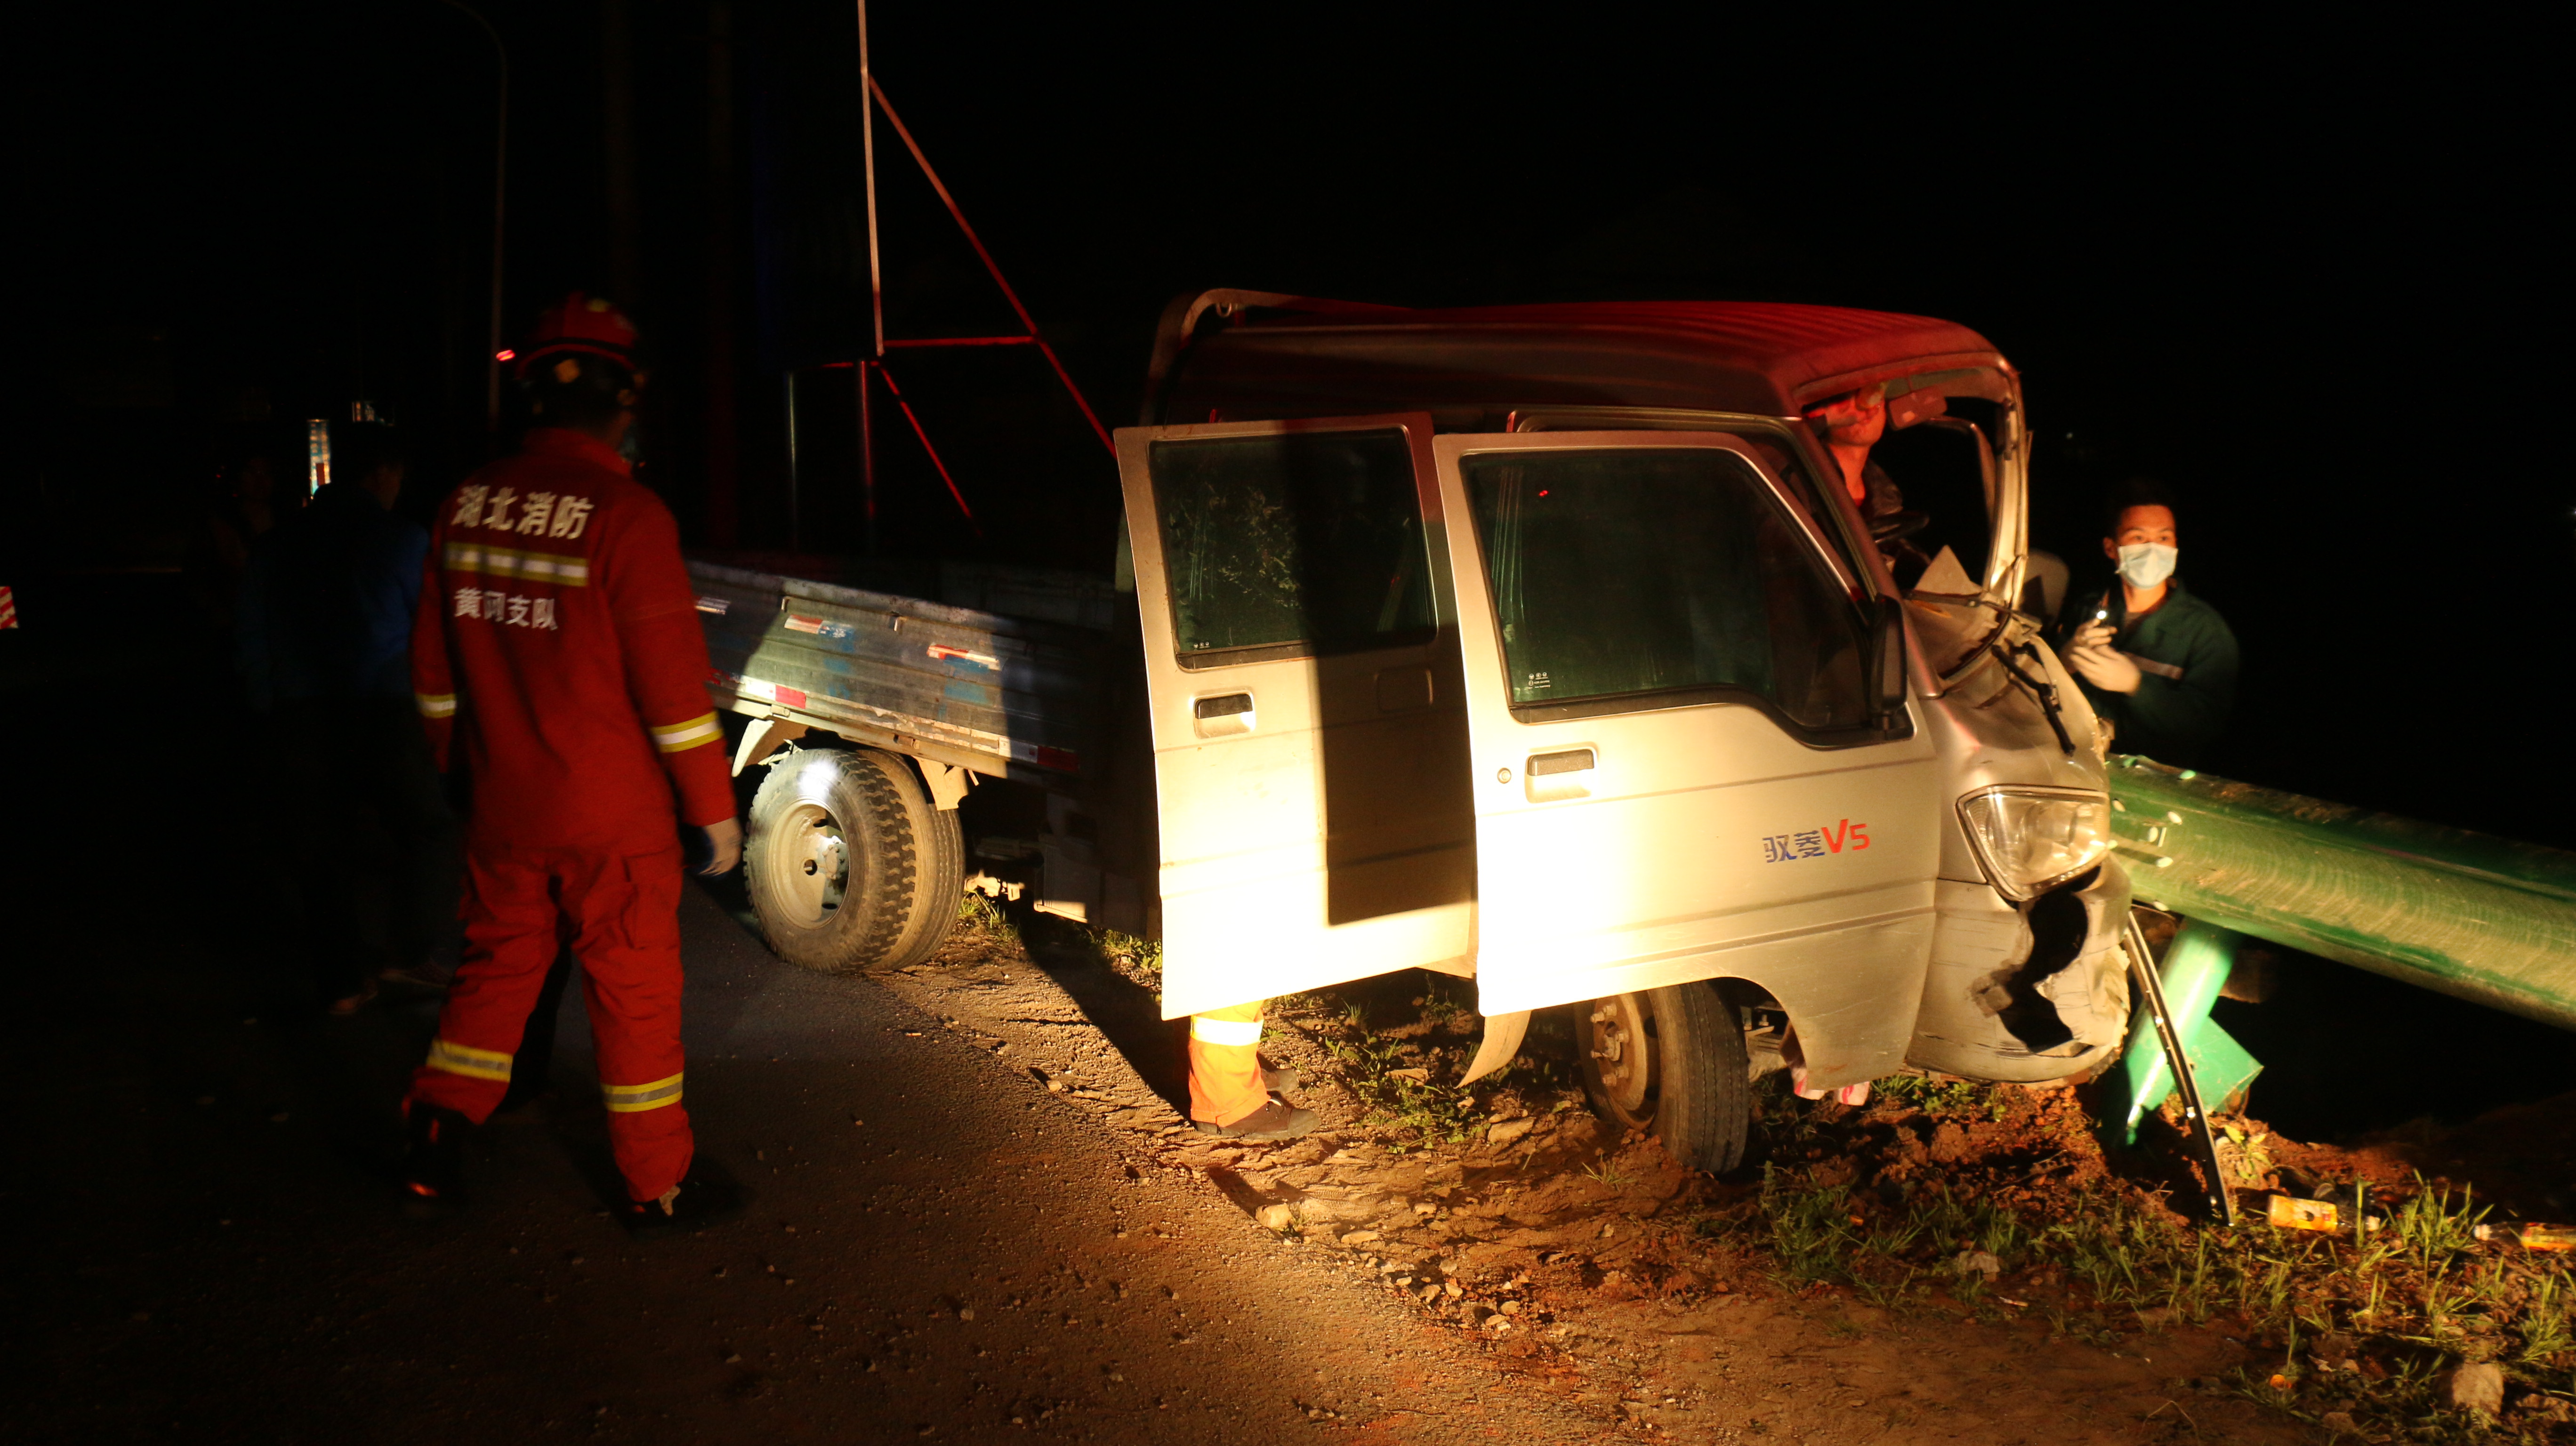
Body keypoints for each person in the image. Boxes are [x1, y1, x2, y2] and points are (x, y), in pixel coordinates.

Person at [400, 294, 745, 1236]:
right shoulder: (628, 517)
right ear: (625, 403)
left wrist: (460, 766)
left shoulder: (466, 505)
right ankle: (656, 1186)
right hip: (613, 820)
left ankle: (436, 1126)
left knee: (497, 969)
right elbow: (675, 698)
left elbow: (432, 674)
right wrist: (713, 809)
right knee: (632, 997)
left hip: (504, 805)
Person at [237, 422, 459, 1013]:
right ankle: (407, 953)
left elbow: (252, 640)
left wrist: (268, 711)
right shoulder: (404, 541)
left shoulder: (278, 543)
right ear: (383, 474)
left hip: (302, 713)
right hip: (386, 711)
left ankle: (340, 983)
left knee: (321, 845)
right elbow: (431, 636)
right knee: (428, 831)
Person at [2060, 480, 2239, 765]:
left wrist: (2137, 686)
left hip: (2153, 781)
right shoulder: (2088, 609)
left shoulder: (2205, 631)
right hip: (2074, 764)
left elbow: (2205, 726)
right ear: (2111, 548)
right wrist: (2063, 661)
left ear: (2176, 546)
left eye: (2164, 538)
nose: (2153, 549)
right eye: (2139, 538)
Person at [1188, 1001, 1315, 1140]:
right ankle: (1228, 1102)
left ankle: (1208, 1074)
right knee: (1228, 992)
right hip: (1225, 1101)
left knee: (1235, 991)